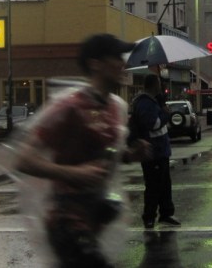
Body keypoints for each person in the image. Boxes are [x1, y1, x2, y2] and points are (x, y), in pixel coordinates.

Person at [14, 33, 149, 267]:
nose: (123, 64)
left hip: (95, 217)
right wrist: (74, 173)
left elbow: (102, 155)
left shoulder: (114, 108)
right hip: (67, 221)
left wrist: (129, 155)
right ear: (95, 64)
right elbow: (23, 159)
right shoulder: (70, 107)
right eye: (116, 57)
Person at [130, 73, 179, 229]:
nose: (161, 86)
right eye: (159, 83)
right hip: (153, 152)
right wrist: (165, 113)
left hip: (161, 151)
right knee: (153, 186)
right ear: (154, 84)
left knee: (164, 184)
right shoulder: (145, 103)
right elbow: (154, 124)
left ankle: (166, 213)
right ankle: (149, 217)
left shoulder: (153, 101)